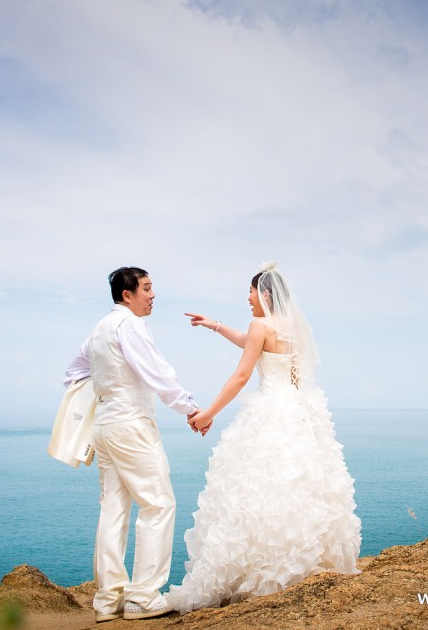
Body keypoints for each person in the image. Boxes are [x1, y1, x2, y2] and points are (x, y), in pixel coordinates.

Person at [165, 261, 361, 612]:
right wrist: (215, 325)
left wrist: (208, 413)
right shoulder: (295, 329)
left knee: (256, 490)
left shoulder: (260, 325)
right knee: (298, 487)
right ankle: (297, 562)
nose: (248, 298)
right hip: (300, 411)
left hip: (270, 410)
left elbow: (242, 374)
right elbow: (248, 342)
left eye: (251, 291)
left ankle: (260, 568)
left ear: (265, 294)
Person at [64, 267, 206, 622]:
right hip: (131, 426)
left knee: (113, 509)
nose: (153, 295)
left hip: (105, 426)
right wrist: (190, 408)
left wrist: (105, 391)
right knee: (158, 503)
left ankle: (107, 600)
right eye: (146, 288)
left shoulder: (99, 329)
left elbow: (73, 372)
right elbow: (158, 373)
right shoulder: (130, 325)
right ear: (127, 295)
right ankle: (143, 597)